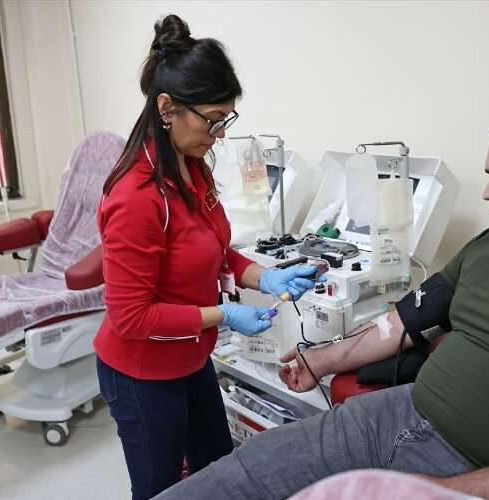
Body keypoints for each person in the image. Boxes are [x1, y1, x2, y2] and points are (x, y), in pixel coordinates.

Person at [154, 85, 489, 500]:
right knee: (241, 477)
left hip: (471, 471)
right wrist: (322, 358)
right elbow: (408, 317)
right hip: (395, 415)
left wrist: (434, 492)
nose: (486, 193)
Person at [94, 15, 322, 500]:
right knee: (162, 490)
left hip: (190, 355)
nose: (218, 134)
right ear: (167, 107)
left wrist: (268, 276)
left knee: (217, 470)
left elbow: (213, 249)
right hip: (141, 371)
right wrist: (224, 314)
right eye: (212, 119)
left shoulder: (193, 167)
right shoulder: (136, 197)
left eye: (226, 120)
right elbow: (132, 317)